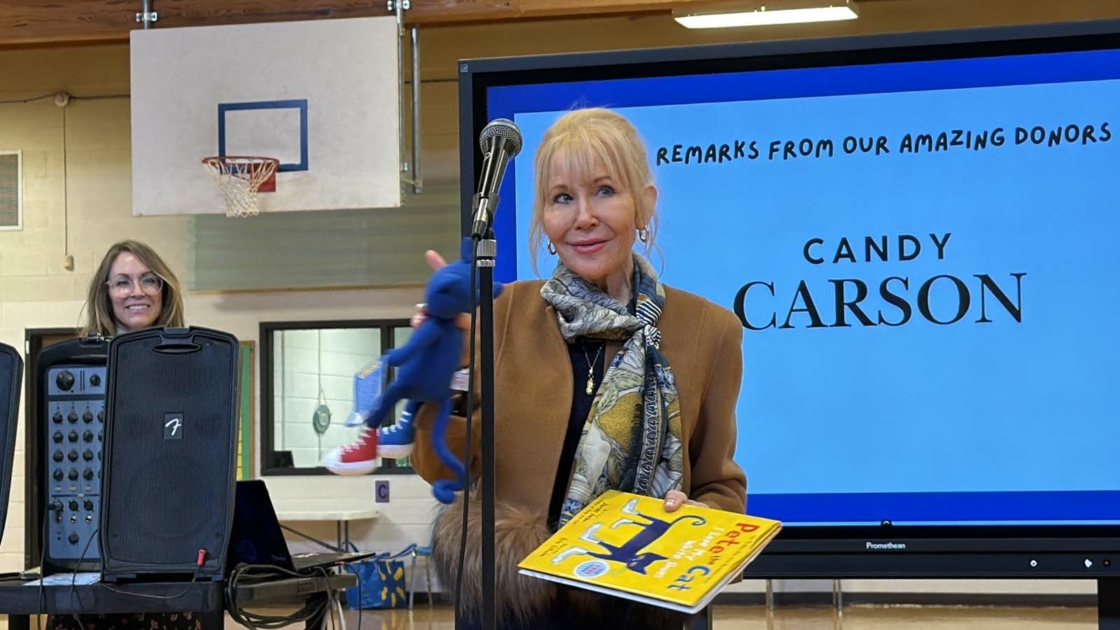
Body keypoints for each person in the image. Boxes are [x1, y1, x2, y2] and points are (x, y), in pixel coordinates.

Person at [401, 107, 747, 630]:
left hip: (643, 606)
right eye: (562, 198)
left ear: (645, 204)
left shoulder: (710, 330)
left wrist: (696, 521)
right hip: (511, 608)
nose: (583, 216)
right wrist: (449, 368)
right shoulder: (498, 314)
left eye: (605, 191)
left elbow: (721, 487)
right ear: (543, 217)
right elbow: (439, 468)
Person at [51, 239, 193, 630]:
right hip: (90, 569)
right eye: (123, 282)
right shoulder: (74, 365)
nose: (137, 292)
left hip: (167, 552)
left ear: (164, 289)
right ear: (107, 292)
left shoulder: (192, 365)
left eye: (149, 280)